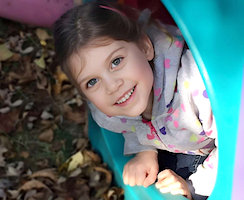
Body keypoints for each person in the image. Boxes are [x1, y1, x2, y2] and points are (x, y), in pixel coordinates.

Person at [53, 1, 217, 199]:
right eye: (92, 81)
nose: (112, 86)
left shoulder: (194, 87)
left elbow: (236, 145)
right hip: (182, 146)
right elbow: (131, 125)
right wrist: (146, 151)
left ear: (145, 46)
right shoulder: (108, 109)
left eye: (116, 61)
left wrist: (193, 186)